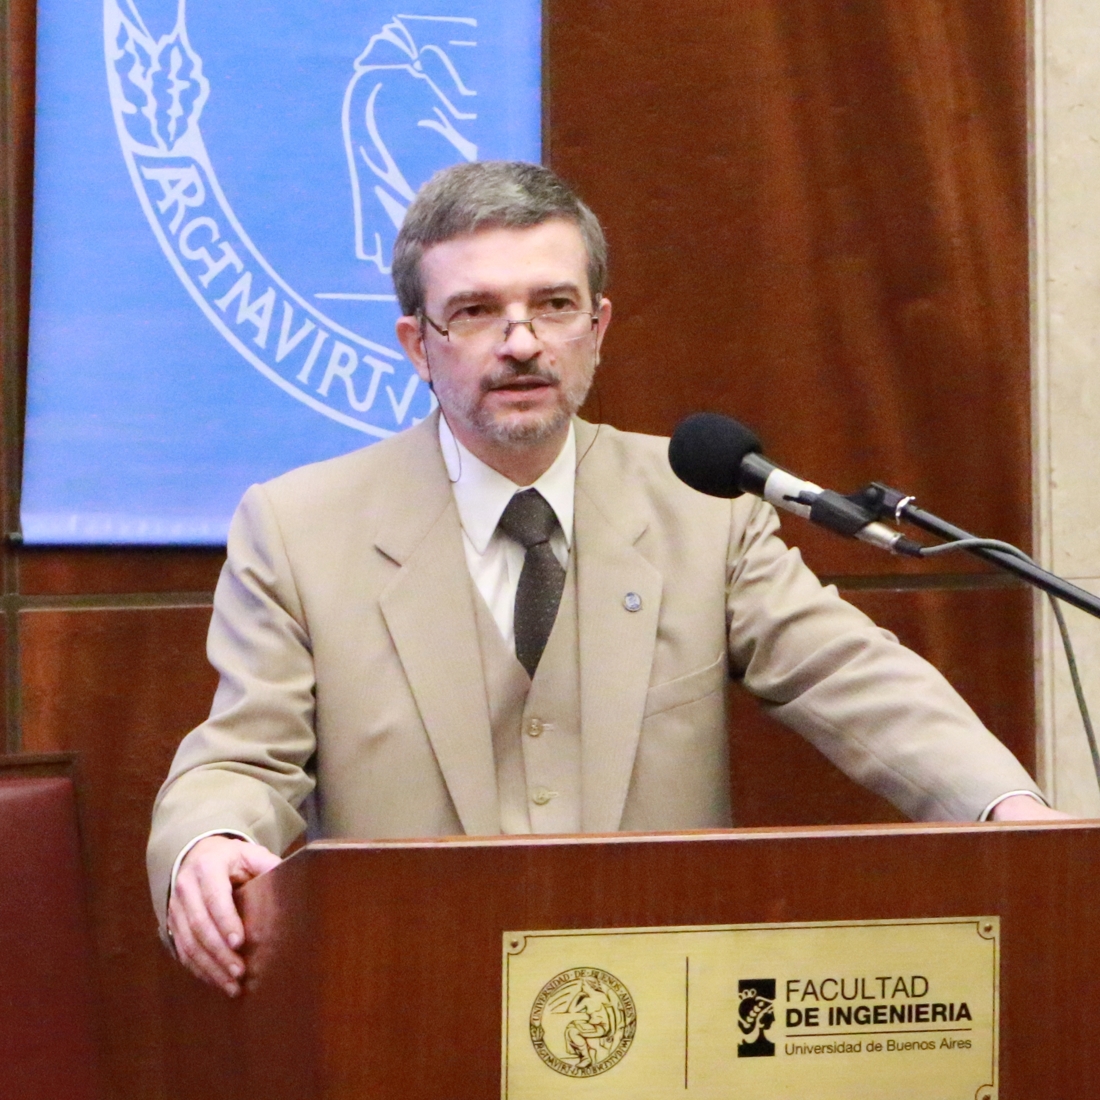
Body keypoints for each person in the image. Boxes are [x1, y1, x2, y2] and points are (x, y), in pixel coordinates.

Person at [148, 161, 1065, 998]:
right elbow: (238, 755)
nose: (521, 343)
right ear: (417, 344)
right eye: (475, 311)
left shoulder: (701, 504)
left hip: (665, 1005)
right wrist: (213, 841)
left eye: (553, 305)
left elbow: (852, 677)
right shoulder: (301, 528)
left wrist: (1006, 807)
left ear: (598, 327)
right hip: (418, 995)